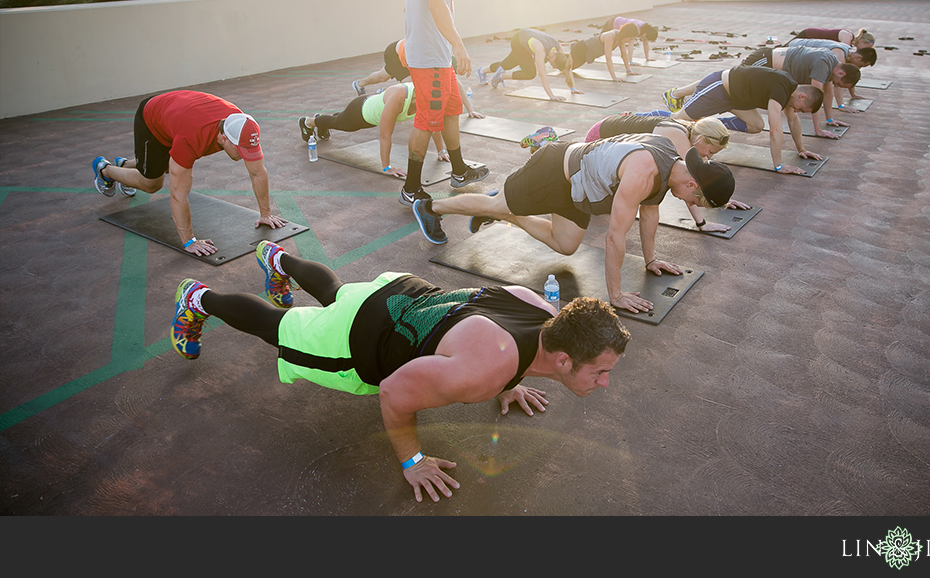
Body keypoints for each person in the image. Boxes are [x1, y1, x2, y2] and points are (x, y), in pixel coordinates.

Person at [170, 240, 631, 503]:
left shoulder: (538, 309)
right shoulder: (482, 373)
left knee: (336, 290)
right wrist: (413, 460)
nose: (605, 382)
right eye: (601, 372)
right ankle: (198, 298)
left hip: (401, 294)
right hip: (360, 339)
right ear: (566, 359)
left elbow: (502, 338)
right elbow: (393, 392)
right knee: (277, 325)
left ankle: (278, 259)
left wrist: (511, 383)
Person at [411, 133, 736, 314]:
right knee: (497, 204)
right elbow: (614, 236)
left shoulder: (669, 161)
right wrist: (617, 294)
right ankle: (431, 206)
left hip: (577, 191)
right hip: (554, 170)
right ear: (694, 185)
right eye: (695, 201)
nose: (689, 204)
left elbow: (650, 213)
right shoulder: (643, 172)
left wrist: (651, 260)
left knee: (565, 245)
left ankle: (503, 212)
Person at [91, 90, 287, 256]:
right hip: (153, 117)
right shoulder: (190, 140)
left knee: (167, 166)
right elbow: (178, 195)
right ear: (224, 138)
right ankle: (106, 170)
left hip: (179, 113)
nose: (245, 155)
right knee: (152, 183)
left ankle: (128, 164)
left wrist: (266, 214)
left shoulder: (243, 126)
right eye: (241, 150)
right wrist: (189, 241)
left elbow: (258, 173)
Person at [399, 0, 489, 208]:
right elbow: (437, 4)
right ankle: (411, 187)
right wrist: (459, 46)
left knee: (451, 107)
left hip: (433, 53)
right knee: (426, 120)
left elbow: (410, 7)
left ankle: (460, 170)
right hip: (431, 58)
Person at [584, 113, 752, 233]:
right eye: (710, 151)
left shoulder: (689, 131)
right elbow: (690, 183)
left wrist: (719, 195)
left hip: (610, 131)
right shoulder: (678, 137)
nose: (708, 157)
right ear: (701, 140)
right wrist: (702, 223)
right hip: (597, 139)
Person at [297, 82, 484, 179]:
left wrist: (441, 151)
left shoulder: (428, 98)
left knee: (338, 119)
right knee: (340, 123)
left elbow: (433, 125)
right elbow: (385, 136)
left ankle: (322, 120)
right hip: (360, 112)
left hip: (374, 112)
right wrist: (386, 167)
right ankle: (308, 122)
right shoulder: (399, 97)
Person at [667, 65, 826, 176]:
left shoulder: (791, 92)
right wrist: (779, 166)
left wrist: (802, 149)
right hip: (719, 88)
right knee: (677, 119)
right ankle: (647, 120)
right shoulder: (781, 90)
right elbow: (774, 130)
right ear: (802, 96)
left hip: (738, 101)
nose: (797, 111)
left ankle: (708, 124)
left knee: (756, 125)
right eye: (801, 108)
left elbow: (794, 121)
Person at [737, 45, 861, 133]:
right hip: (764, 60)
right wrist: (818, 130)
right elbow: (815, 98)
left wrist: (829, 119)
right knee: (739, 95)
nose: (837, 86)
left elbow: (827, 94)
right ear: (841, 74)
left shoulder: (831, 65)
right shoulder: (823, 64)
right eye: (839, 84)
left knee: (788, 108)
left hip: (776, 73)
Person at [475, 28, 580, 100]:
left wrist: (573, 88)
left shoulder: (558, 49)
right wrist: (551, 95)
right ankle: (500, 75)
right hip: (518, 41)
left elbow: (567, 67)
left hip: (526, 40)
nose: (553, 67)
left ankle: (482, 71)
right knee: (530, 72)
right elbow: (542, 75)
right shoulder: (541, 49)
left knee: (507, 64)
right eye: (555, 66)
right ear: (553, 58)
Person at [783, 38, 878, 103]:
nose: (859, 68)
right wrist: (841, 105)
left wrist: (853, 95)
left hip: (801, 50)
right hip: (791, 47)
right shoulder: (839, 57)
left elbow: (849, 78)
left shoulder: (848, 55)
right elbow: (834, 87)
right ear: (858, 57)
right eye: (861, 65)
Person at [569, 24, 641, 82]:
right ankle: (569, 49)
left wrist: (628, 70)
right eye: (630, 38)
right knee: (565, 68)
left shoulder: (620, 39)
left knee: (570, 68)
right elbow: (608, 58)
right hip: (581, 49)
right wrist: (614, 77)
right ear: (626, 35)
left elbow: (624, 55)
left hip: (587, 53)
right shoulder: (610, 36)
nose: (630, 41)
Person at [789, 27, 875, 49]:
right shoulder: (847, 38)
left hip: (813, 38)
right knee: (784, 48)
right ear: (862, 41)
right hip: (810, 34)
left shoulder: (849, 40)